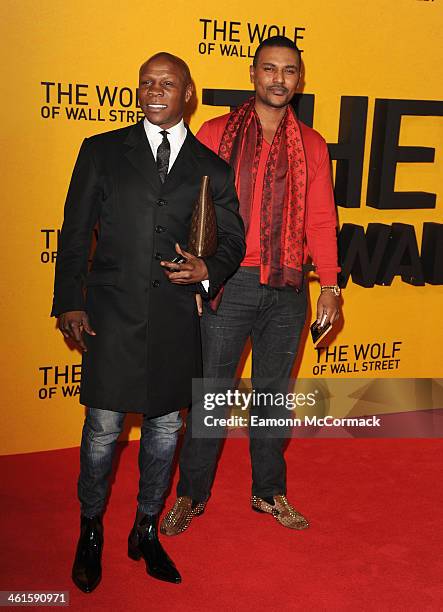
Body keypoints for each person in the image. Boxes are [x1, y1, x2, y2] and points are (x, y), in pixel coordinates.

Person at [52, 52, 245, 592]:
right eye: (147, 82)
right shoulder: (102, 151)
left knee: (164, 429)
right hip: (110, 315)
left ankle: (145, 528)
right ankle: (90, 529)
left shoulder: (212, 167)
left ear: (189, 94)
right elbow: (74, 233)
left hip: (175, 319)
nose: (155, 90)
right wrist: (70, 300)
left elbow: (231, 240)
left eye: (168, 83)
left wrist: (209, 268)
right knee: (102, 430)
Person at [161, 36, 341, 536]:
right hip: (228, 281)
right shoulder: (216, 132)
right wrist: (193, 284)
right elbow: (188, 209)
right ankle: (191, 496)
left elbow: (323, 221)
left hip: (287, 287)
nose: (278, 79)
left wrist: (330, 286)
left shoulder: (313, 144)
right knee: (211, 398)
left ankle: (269, 492)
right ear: (253, 74)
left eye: (288, 71)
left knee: (272, 398)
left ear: (298, 80)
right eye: (269, 69)